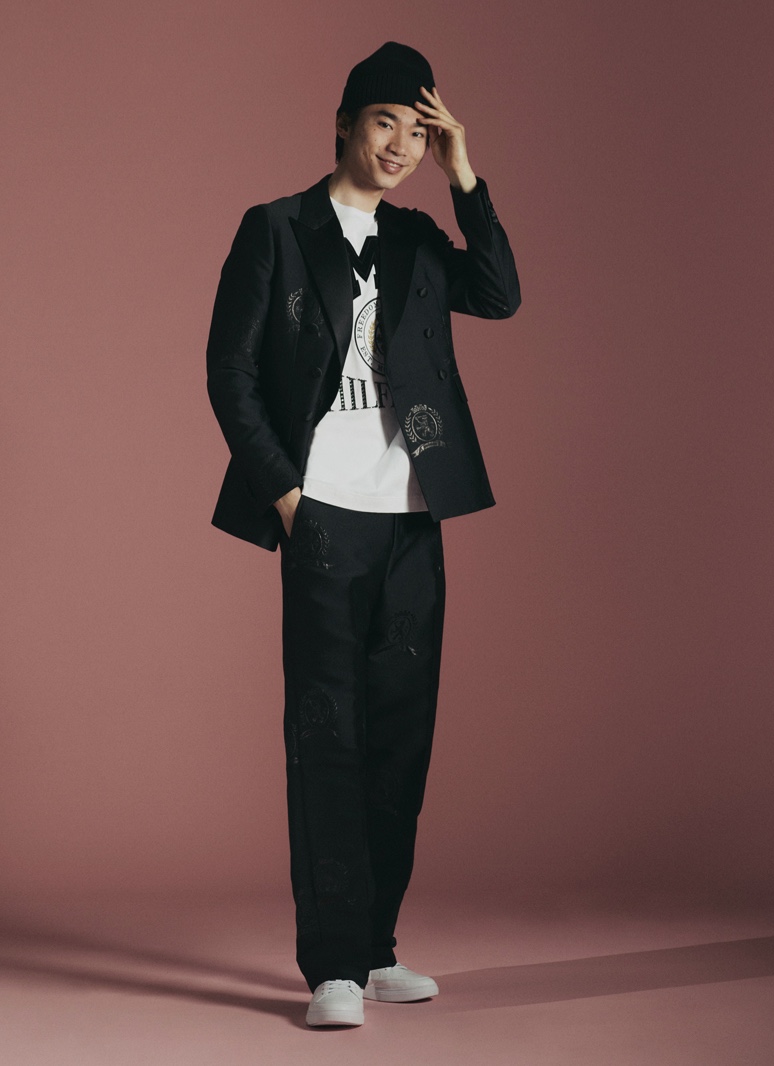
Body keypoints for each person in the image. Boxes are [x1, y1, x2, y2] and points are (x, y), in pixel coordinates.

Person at [206, 41, 520, 1028]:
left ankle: (376, 948)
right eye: (387, 123)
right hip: (324, 520)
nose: (400, 146)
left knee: (399, 745)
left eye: (418, 133)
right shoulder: (276, 228)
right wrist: (285, 494)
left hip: (413, 518)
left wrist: (465, 175)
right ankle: (332, 967)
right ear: (344, 123)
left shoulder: (419, 238)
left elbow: (500, 293)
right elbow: (229, 371)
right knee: (327, 739)